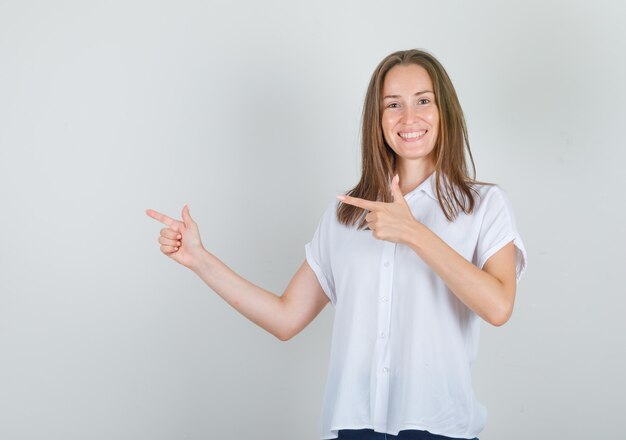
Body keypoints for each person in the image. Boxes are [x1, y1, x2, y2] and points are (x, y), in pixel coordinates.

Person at [145, 48, 527, 440]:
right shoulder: (345, 214)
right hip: (352, 427)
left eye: (423, 101)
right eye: (393, 104)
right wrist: (199, 259)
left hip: (440, 427)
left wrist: (414, 232)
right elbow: (286, 318)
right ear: (376, 121)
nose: (409, 118)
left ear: (444, 110)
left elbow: (498, 306)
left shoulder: (482, 206)